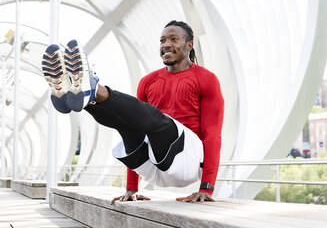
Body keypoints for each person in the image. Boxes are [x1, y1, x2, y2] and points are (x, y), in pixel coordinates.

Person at [41, 20, 224, 203]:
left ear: (189, 45)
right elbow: (134, 120)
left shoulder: (206, 79)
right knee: (128, 124)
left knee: (157, 120)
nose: (166, 44)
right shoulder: (148, 81)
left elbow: (212, 136)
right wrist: (131, 189)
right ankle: (80, 95)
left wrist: (206, 187)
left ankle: (94, 89)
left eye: (173, 39)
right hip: (152, 166)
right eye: (162, 41)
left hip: (186, 163)